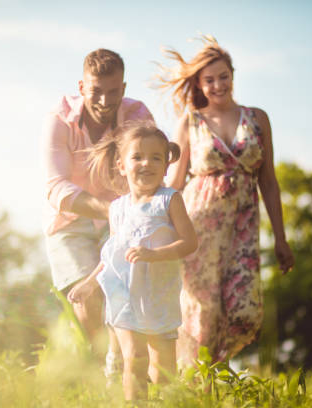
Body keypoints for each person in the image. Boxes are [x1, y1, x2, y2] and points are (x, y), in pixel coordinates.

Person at [157, 36, 295, 366]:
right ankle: (198, 389)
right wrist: (157, 227)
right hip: (198, 226)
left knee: (244, 309)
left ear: (233, 75)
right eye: (209, 79)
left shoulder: (258, 118)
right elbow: (175, 183)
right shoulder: (190, 122)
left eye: (223, 76)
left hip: (243, 229)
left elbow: (269, 182)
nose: (218, 85)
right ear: (199, 84)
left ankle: (204, 375)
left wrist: (281, 238)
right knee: (203, 313)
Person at [67, 122, 198, 400]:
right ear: (122, 165)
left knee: (164, 370)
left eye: (156, 158)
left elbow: (190, 242)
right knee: (136, 358)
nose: (146, 163)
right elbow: (111, 256)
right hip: (124, 294)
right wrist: (90, 284)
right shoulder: (117, 209)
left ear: (166, 167)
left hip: (158, 295)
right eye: (137, 157)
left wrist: (154, 255)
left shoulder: (169, 200)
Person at [43, 49, 153, 374]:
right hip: (70, 220)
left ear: (124, 87)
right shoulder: (59, 121)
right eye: (96, 91)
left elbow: (150, 167)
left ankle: (128, 372)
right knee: (87, 297)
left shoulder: (137, 116)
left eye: (113, 91)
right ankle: (94, 369)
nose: (105, 101)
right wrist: (109, 209)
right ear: (81, 87)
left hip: (123, 219)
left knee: (126, 292)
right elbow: (55, 187)